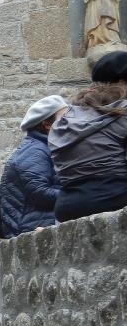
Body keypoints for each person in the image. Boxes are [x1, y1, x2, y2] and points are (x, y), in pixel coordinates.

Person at [49, 51, 127, 221]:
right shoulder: (122, 114)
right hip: (115, 202)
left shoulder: (65, 119)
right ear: (123, 83)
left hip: (67, 207)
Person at [0, 95, 67, 238]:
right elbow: (40, 192)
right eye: (64, 118)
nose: (70, 122)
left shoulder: (44, 147)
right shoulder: (35, 151)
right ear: (46, 125)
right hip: (31, 228)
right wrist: (78, 194)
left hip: (36, 224)